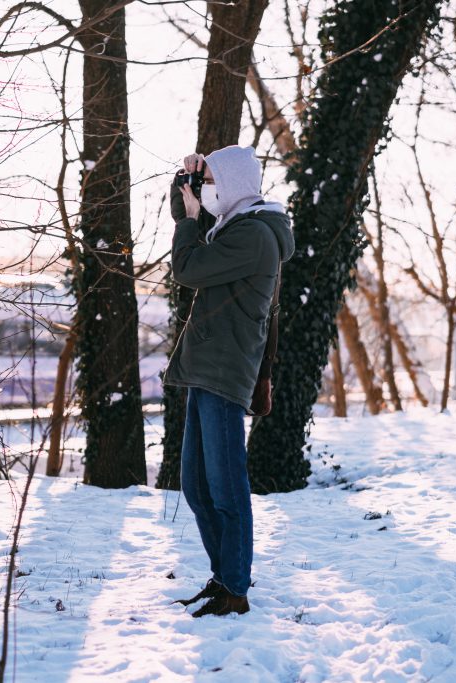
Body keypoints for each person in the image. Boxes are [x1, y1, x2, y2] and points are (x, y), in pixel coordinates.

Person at [163, 145, 294, 617]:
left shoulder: (254, 235)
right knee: (197, 488)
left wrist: (189, 220)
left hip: (223, 372)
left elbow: (188, 269)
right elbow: (189, 218)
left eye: (215, 180)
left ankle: (234, 589)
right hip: (206, 370)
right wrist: (188, 180)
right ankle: (223, 578)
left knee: (226, 488)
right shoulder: (232, 227)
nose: (208, 191)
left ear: (235, 185)